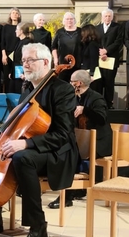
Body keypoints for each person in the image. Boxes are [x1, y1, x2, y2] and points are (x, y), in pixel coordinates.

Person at [0, 43, 78, 237]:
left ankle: (38, 227)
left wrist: (26, 145)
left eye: (30, 60)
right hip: (31, 147)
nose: (25, 64)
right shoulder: (28, 91)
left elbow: (63, 133)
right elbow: (17, 129)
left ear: (45, 62)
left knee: (22, 158)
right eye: (23, 60)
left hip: (56, 151)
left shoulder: (62, 90)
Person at [48, 69, 112, 209]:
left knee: (71, 155)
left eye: (71, 81)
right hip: (83, 141)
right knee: (63, 149)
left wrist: (85, 110)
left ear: (79, 83)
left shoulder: (96, 98)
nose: (70, 84)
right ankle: (75, 188)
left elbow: (102, 119)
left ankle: (67, 196)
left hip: (99, 142)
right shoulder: (74, 97)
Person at [96, 9, 124, 109]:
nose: (107, 18)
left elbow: (118, 42)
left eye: (109, 16)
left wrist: (106, 51)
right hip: (99, 59)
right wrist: (100, 52)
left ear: (112, 17)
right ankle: (98, 104)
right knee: (98, 82)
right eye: (105, 16)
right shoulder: (97, 28)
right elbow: (95, 42)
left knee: (109, 82)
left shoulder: (118, 27)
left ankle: (108, 104)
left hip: (111, 59)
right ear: (102, 17)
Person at [51, 12, 81, 82]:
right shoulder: (59, 32)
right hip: (63, 63)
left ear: (74, 20)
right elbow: (53, 46)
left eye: (71, 19)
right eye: (67, 19)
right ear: (64, 21)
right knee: (62, 82)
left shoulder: (80, 31)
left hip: (77, 63)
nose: (69, 21)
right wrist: (55, 59)